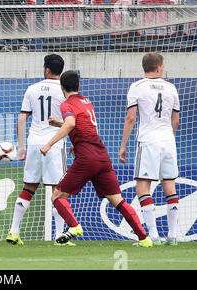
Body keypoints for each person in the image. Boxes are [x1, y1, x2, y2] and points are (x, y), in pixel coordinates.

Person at [40, 70, 152, 247]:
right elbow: (84, 126)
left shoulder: (66, 104)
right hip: (101, 156)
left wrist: (48, 144)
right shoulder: (87, 102)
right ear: (79, 86)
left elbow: (71, 123)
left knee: (57, 196)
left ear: (61, 87)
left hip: (86, 158)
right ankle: (144, 239)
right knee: (117, 200)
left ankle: (74, 226)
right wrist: (70, 137)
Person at [6, 54, 71, 246]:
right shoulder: (64, 92)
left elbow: (21, 119)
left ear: (46, 69)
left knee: (28, 188)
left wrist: (21, 147)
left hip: (34, 143)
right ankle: (59, 236)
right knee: (58, 191)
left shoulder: (32, 89)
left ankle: (13, 231)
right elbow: (70, 122)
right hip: (55, 143)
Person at [118, 53, 180, 246]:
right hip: (168, 140)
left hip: (148, 141)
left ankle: (152, 235)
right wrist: (168, 136)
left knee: (143, 187)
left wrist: (123, 145)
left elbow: (130, 118)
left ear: (144, 67)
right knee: (169, 185)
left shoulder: (137, 87)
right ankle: (173, 236)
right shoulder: (171, 88)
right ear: (159, 67)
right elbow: (175, 120)